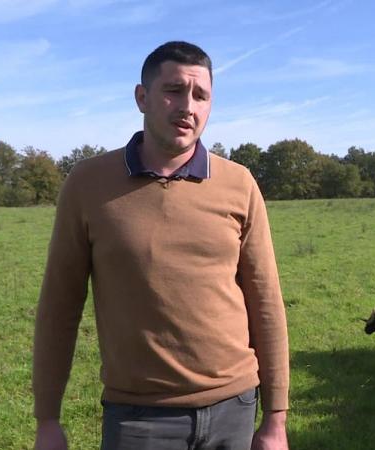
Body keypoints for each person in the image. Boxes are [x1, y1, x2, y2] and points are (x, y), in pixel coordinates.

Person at [33, 41, 290, 450]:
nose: (187, 105)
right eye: (173, 90)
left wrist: (275, 418)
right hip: (138, 418)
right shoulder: (88, 184)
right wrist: (48, 419)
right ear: (142, 97)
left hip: (235, 408)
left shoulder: (239, 184)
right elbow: (58, 308)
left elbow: (266, 302)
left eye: (200, 95)